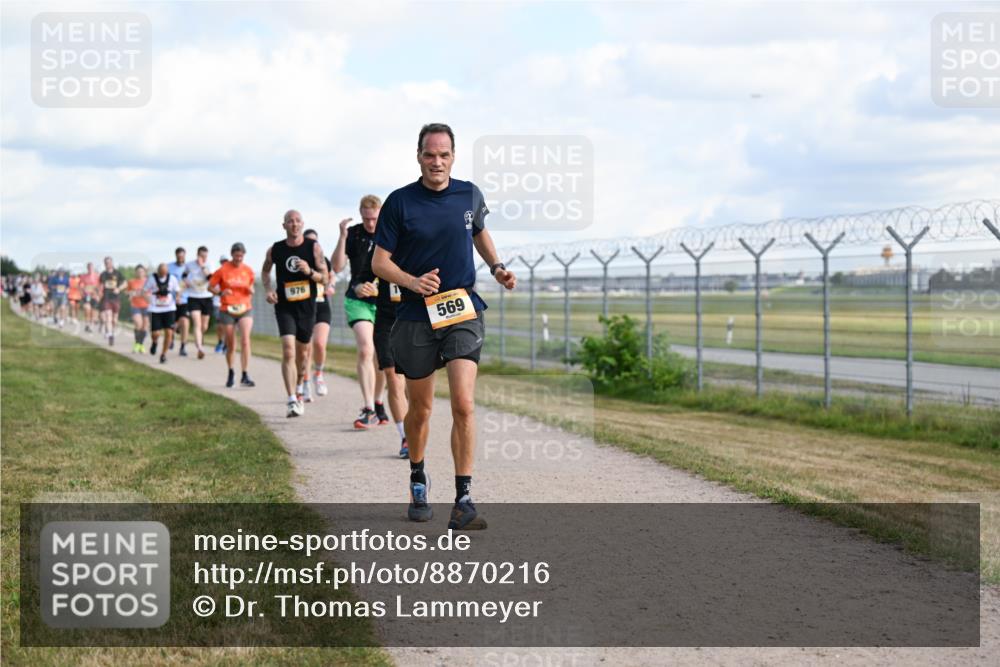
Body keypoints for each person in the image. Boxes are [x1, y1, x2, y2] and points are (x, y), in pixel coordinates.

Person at [372, 122, 517, 529]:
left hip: (462, 309)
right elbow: (379, 263)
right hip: (417, 315)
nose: (437, 161)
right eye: (429, 154)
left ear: (454, 156)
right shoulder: (399, 203)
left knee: (463, 404)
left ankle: (463, 499)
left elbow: (479, 234)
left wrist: (498, 267)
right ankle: (418, 477)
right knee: (420, 409)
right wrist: (412, 282)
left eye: (444, 154)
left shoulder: (468, 194)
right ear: (418, 156)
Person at [261, 210, 327, 418]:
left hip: (307, 307)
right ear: (284, 226)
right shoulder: (276, 249)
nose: (294, 225)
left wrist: (309, 271)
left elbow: (325, 278)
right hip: (285, 307)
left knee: (303, 354)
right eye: (290, 221)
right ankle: (291, 399)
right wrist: (268, 289)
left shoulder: (313, 247)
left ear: (302, 224)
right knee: (288, 350)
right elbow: (265, 271)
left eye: (298, 221)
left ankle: (299, 387)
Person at [332, 195, 390, 428]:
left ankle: (378, 402)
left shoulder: (389, 232)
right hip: (357, 299)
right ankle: (367, 407)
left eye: (374, 219)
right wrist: (342, 236)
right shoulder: (355, 234)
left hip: (384, 301)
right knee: (366, 349)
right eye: (366, 219)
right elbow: (336, 267)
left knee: (383, 356)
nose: (370, 224)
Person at [375, 259, 409, 458]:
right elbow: (362, 277)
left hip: (415, 320)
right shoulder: (381, 248)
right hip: (386, 322)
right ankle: (406, 437)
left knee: (414, 383)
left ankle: (415, 426)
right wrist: (362, 285)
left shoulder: (419, 240)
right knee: (393, 377)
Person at [210, 243, 256, 388]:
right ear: (232, 255)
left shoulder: (248, 270)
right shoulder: (223, 270)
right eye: (236, 256)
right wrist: (220, 292)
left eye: (241, 256)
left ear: (244, 255)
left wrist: (251, 290)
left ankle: (245, 374)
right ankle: (231, 372)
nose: (238, 259)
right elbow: (210, 286)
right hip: (227, 308)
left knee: (245, 340)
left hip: (244, 308)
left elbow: (252, 287)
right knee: (231, 343)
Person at [304, 229, 335, 400]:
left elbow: (331, 277)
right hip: (304, 308)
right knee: (306, 348)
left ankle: (318, 374)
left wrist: (331, 286)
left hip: (321, 305)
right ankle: (306, 382)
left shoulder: (324, 261)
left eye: (314, 242)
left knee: (320, 344)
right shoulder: (299, 262)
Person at [182, 246, 215, 359]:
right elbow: (184, 275)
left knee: (204, 326)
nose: (203, 258)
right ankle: (200, 348)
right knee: (197, 323)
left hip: (206, 296)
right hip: (193, 296)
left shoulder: (210, 264)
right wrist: (186, 282)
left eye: (205, 256)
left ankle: (199, 338)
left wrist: (202, 266)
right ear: (197, 255)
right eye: (201, 256)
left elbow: (211, 279)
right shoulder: (190, 264)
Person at [146, 263, 180, 364]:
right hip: (155, 309)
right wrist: (148, 300)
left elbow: (177, 290)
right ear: (158, 271)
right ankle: (155, 342)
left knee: (169, 332)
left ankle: (163, 354)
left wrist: (177, 297)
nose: (163, 274)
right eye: (161, 273)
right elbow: (144, 291)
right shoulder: (152, 279)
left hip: (169, 308)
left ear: (167, 271)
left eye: (165, 272)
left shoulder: (172, 279)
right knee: (156, 333)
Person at [167, 247, 190, 355]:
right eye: (178, 256)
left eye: (182, 256)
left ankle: (183, 346)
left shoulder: (189, 267)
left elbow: (189, 283)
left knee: (184, 322)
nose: (180, 258)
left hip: (185, 300)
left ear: (185, 255)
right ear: (176, 255)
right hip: (170, 300)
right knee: (171, 324)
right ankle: (170, 338)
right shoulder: (169, 267)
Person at [98, 256, 125, 346]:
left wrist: (119, 289)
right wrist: (99, 294)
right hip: (106, 298)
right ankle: (110, 335)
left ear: (112, 263)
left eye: (109, 262)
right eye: (106, 263)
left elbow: (125, 283)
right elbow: (101, 286)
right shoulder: (103, 274)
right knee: (108, 316)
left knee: (115, 320)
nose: (107, 264)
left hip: (116, 298)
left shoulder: (118, 273)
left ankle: (111, 332)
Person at [128, 265, 151, 353]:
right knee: (138, 324)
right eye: (138, 271)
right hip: (135, 305)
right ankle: (137, 343)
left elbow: (151, 294)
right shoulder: (131, 282)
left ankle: (141, 344)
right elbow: (128, 293)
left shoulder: (148, 281)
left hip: (146, 306)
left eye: (141, 271)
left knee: (145, 326)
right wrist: (131, 294)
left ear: (144, 272)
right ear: (135, 272)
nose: (140, 273)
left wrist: (145, 294)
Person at [79, 262, 101, 332]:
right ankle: (87, 323)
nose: (90, 269)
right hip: (87, 295)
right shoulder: (83, 276)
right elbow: (80, 285)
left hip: (94, 296)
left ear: (93, 268)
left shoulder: (97, 276)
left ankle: (91, 325)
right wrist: (82, 290)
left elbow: (100, 286)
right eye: (89, 268)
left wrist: (98, 295)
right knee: (87, 308)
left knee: (93, 311)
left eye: (91, 268)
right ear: (87, 268)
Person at [213, 254, 228, 354]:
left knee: (228, 325)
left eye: (226, 261)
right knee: (220, 325)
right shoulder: (217, 273)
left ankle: (226, 345)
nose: (224, 263)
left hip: (229, 303)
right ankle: (220, 342)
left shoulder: (232, 274)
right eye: (223, 261)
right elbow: (211, 287)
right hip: (217, 303)